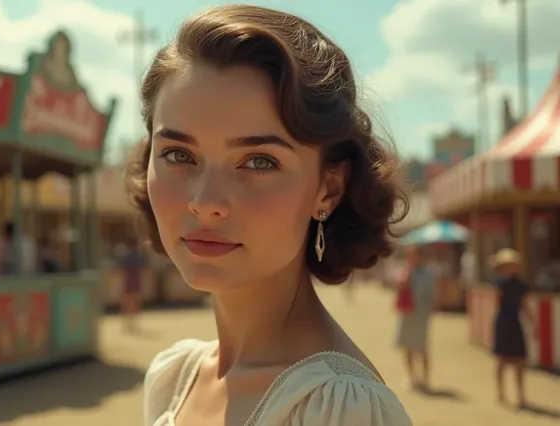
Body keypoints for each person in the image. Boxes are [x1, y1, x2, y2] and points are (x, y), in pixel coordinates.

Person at [126, 5, 411, 425]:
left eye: (259, 162)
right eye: (178, 154)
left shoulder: (338, 410)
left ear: (328, 188)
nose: (205, 201)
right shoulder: (175, 376)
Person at [489, 248, 535, 407]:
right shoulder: (499, 284)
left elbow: (525, 306)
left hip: (515, 321)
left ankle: (521, 395)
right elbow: (496, 305)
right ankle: (500, 392)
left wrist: (533, 324)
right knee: (501, 359)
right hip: (503, 322)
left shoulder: (521, 285)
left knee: (520, 360)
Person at [395, 246, 437, 391]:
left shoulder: (428, 273)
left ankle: (425, 378)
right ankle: (412, 377)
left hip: (420, 314)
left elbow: (431, 295)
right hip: (407, 314)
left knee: (422, 347)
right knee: (407, 347)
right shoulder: (404, 271)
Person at [120, 238, 147, 332]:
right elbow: (144, 268)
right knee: (135, 302)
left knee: (128, 302)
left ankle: (128, 321)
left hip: (129, 280)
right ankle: (132, 321)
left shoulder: (127, 256)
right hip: (135, 280)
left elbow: (123, 269)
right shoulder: (138, 256)